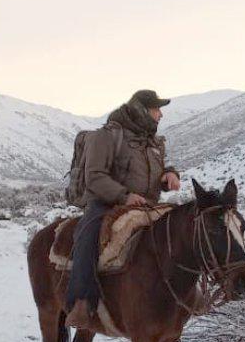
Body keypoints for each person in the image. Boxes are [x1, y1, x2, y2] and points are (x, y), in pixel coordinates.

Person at [64, 90, 181, 328]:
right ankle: (82, 303)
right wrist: (124, 195)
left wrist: (170, 173)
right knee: (87, 236)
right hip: (108, 203)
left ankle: (184, 294)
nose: (160, 115)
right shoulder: (106, 136)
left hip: (147, 205)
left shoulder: (152, 142)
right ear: (143, 110)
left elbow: (153, 170)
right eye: (157, 109)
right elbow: (94, 177)